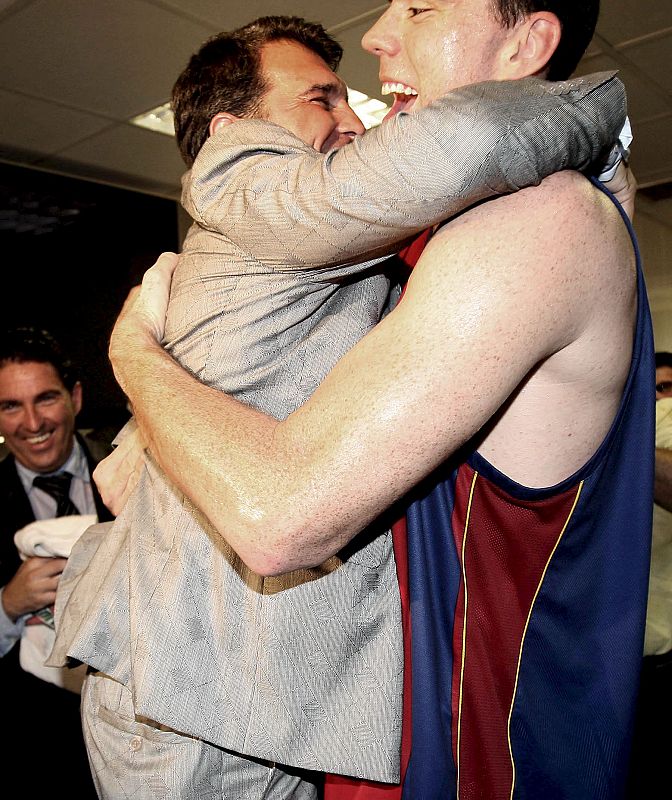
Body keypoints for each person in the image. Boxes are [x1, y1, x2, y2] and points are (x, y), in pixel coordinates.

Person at [90, 1, 654, 798]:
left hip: (468, 756)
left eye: (420, 7)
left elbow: (279, 517)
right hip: (376, 733)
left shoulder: (542, 221)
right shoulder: (443, 232)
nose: (378, 37)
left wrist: (133, 356)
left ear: (530, 41)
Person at [0, 326, 114, 799]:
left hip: (137, 739)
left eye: (45, 399)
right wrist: (7, 604)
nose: (32, 422)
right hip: (34, 753)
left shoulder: (132, 478)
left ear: (76, 398)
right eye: (10, 405)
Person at [627, 351, 672, 796]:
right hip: (619, 665)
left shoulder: (648, 433)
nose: (660, 402)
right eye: (652, 391)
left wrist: (630, 438)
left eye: (667, 390)